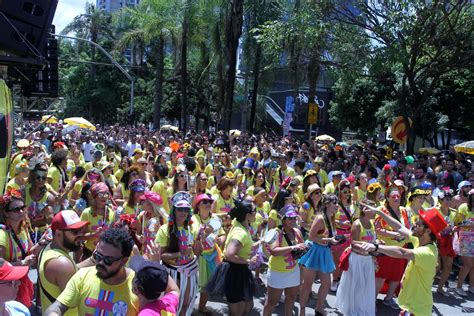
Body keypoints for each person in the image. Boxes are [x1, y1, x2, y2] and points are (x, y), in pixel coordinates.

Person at [353, 207, 448, 316]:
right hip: (410, 305)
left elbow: (402, 252)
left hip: (417, 309)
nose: (415, 223)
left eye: (420, 223)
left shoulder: (428, 252)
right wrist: (379, 212)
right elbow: (399, 227)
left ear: (427, 231)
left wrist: (375, 247)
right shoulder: (420, 240)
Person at [45, 228, 139, 315]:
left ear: (124, 261)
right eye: (98, 256)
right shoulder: (82, 276)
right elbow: (56, 307)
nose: (101, 262)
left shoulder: (138, 286)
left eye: (108, 260)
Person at [206, 200, 259, 316]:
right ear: (247, 215)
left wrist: (259, 243)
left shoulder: (238, 222)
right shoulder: (240, 233)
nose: (257, 213)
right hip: (235, 272)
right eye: (255, 211)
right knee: (238, 311)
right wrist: (249, 260)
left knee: (247, 307)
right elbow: (230, 254)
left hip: (239, 270)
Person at [155, 192, 202, 316]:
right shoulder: (164, 230)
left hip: (190, 270)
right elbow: (161, 255)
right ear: (174, 210)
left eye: (186, 209)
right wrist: (180, 253)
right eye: (180, 209)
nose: (183, 212)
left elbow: (197, 252)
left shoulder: (192, 228)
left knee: (186, 303)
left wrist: (200, 241)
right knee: (174, 305)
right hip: (173, 272)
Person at [38, 210, 91, 314]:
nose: (80, 234)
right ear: (58, 234)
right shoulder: (61, 263)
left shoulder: (49, 249)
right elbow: (81, 300)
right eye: (75, 232)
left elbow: (73, 269)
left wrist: (95, 259)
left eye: (81, 229)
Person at [298, 194, 340, 316]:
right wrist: (328, 240)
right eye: (334, 203)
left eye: (337, 203)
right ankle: (302, 310)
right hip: (314, 251)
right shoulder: (320, 218)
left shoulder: (331, 218)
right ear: (327, 204)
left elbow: (328, 236)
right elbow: (311, 236)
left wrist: (334, 239)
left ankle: (319, 307)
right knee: (307, 284)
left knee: (326, 283)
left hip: (324, 251)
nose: (337, 206)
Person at [335, 200, 377, 316]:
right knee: (356, 286)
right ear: (365, 210)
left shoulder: (372, 223)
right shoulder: (357, 224)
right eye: (372, 208)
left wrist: (376, 244)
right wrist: (368, 247)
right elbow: (353, 243)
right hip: (357, 259)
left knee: (364, 287)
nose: (374, 211)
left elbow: (372, 240)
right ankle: (352, 310)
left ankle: (361, 309)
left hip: (368, 259)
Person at [263, 205, 305, 316]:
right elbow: (274, 251)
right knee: (272, 302)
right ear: (283, 219)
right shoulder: (276, 232)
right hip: (277, 272)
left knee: (291, 298)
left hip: (293, 271)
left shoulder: (297, 232)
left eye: (294, 218)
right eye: (289, 218)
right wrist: (292, 247)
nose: (293, 220)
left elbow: (301, 248)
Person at [190, 193, 222, 314]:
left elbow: (222, 234)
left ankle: (202, 307)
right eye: (205, 202)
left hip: (212, 256)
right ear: (198, 206)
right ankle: (188, 307)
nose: (208, 204)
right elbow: (190, 239)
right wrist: (202, 234)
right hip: (197, 256)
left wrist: (221, 239)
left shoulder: (215, 219)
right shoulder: (192, 220)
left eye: (210, 202)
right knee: (193, 285)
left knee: (207, 285)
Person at [454, 188, 474, 296]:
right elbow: (458, 222)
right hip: (465, 240)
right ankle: (459, 286)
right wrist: (470, 225)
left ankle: (472, 286)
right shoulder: (463, 207)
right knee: (468, 264)